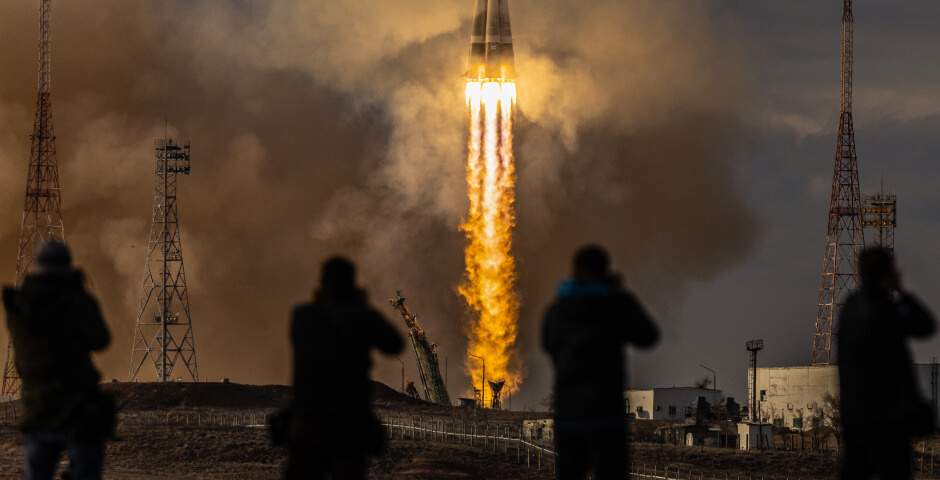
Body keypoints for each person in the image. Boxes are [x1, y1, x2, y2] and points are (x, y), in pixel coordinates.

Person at [542, 245, 659, 480]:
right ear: (606, 270)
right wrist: (618, 292)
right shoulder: (616, 304)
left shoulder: (557, 310)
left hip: (569, 419)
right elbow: (648, 336)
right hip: (606, 419)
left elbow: (548, 345)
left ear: (574, 270)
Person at [3, 239, 113, 480]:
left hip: (36, 413)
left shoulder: (19, 308)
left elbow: (22, 365)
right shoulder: (76, 302)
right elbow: (100, 339)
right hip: (78, 412)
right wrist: (79, 291)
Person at [287, 256, 403, 480]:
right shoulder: (361, 317)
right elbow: (394, 344)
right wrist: (361, 306)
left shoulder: (303, 316)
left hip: (307, 423)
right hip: (347, 426)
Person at [838, 247, 935, 479]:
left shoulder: (849, 308)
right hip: (889, 422)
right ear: (887, 273)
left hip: (856, 420)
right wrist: (903, 292)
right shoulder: (886, 311)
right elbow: (926, 325)